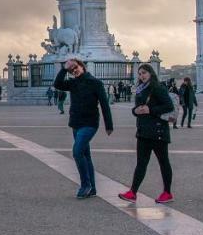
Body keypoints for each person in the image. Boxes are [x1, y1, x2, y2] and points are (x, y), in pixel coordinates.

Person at [53, 57, 114, 199]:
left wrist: (108, 125)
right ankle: (92, 188)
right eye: (72, 70)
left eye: (76, 67)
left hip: (90, 124)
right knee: (86, 156)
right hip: (76, 123)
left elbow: (105, 104)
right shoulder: (73, 83)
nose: (74, 71)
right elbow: (57, 84)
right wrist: (64, 69)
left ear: (82, 67)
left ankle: (85, 185)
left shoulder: (95, 83)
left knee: (77, 152)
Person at [119, 64, 175, 204]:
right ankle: (133, 192)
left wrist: (150, 109)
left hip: (158, 131)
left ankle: (167, 192)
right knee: (141, 163)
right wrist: (134, 111)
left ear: (151, 73)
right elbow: (137, 108)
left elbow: (169, 106)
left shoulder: (158, 88)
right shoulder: (139, 89)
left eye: (144, 73)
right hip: (143, 131)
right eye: (140, 74)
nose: (141, 76)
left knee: (163, 162)